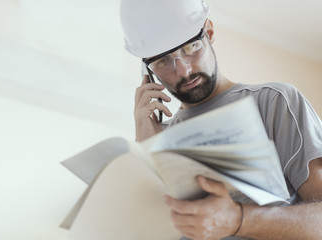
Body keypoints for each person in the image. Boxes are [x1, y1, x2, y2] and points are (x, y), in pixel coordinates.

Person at [120, 0, 322, 239]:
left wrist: (238, 219)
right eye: (163, 61)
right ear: (148, 72)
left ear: (210, 32)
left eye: (191, 47)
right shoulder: (155, 140)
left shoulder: (275, 102)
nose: (183, 70)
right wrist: (146, 149)